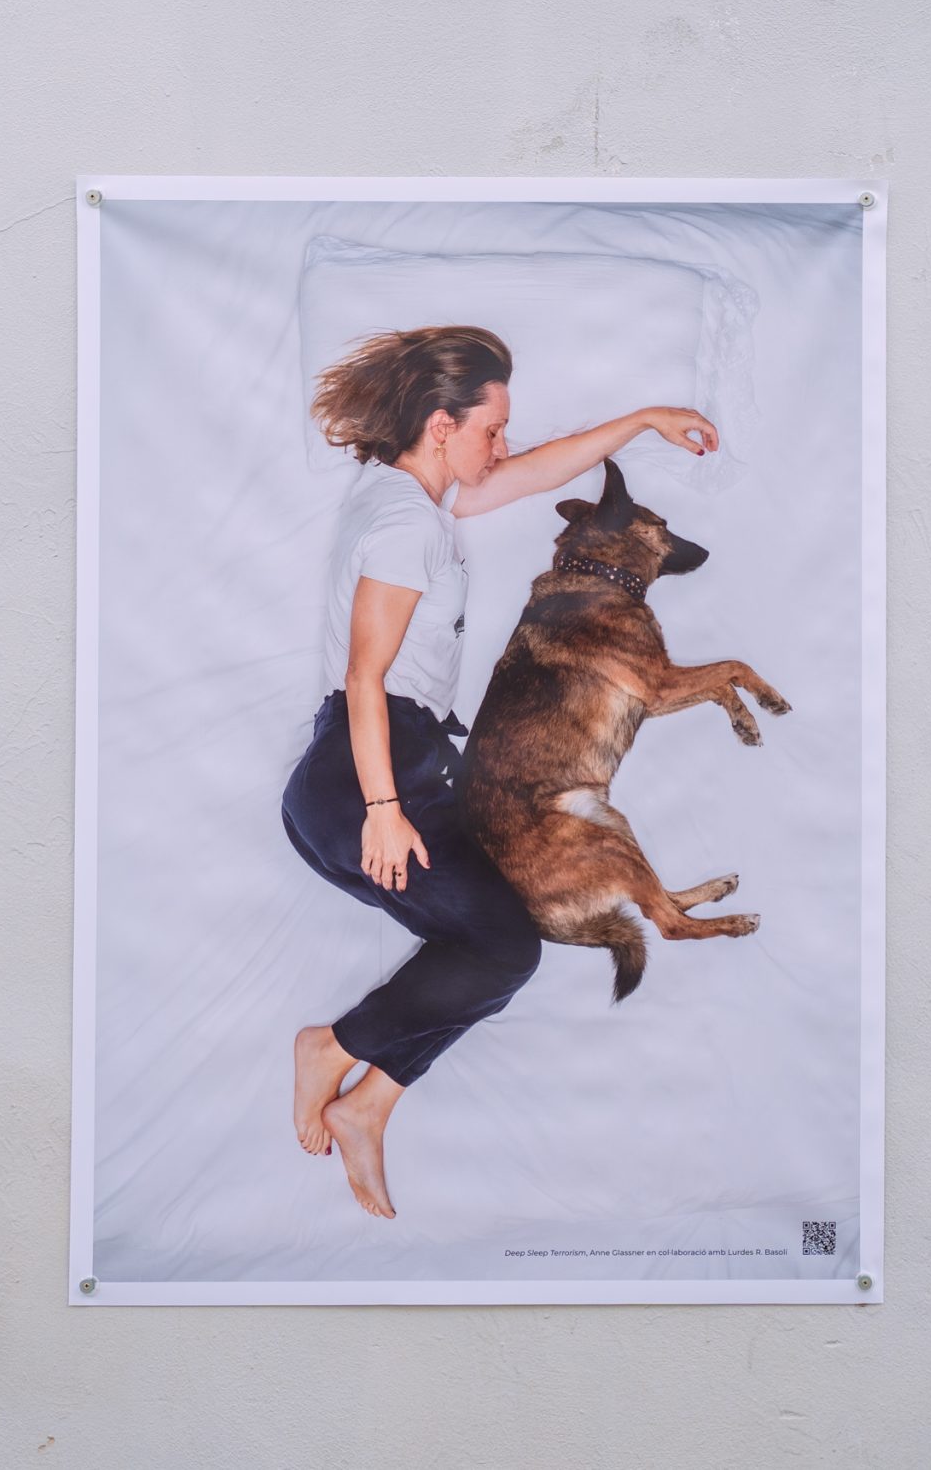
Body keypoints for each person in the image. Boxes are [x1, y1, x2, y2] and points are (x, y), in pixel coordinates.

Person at [281, 324, 719, 1219]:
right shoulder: (406, 524)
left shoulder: (409, 494)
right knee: (503, 946)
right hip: (367, 777)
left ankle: (369, 1103)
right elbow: (364, 677)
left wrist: (643, 419)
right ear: (441, 425)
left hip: (377, 774)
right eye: (492, 427)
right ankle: (333, 1051)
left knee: (494, 942)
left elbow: (538, 473)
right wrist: (382, 807)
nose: (503, 444)